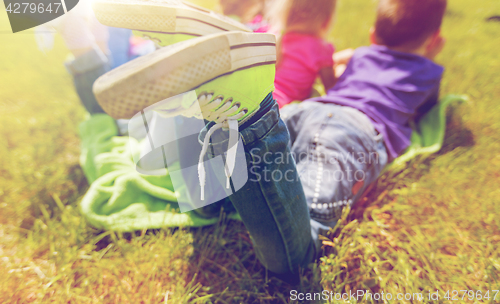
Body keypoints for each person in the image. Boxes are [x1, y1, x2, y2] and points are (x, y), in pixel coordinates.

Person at [90, 0, 447, 279]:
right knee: (301, 248)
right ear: (435, 41)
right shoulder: (429, 72)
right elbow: (424, 108)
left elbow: (336, 76)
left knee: (214, 202)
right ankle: (252, 114)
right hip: (351, 132)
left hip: (307, 110)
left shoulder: (363, 55)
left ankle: (216, 96)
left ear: (372, 35)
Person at [271, 0, 337, 107]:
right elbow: (332, 89)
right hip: (280, 107)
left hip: (260, 98)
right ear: (327, 20)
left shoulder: (275, 37)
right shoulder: (320, 48)